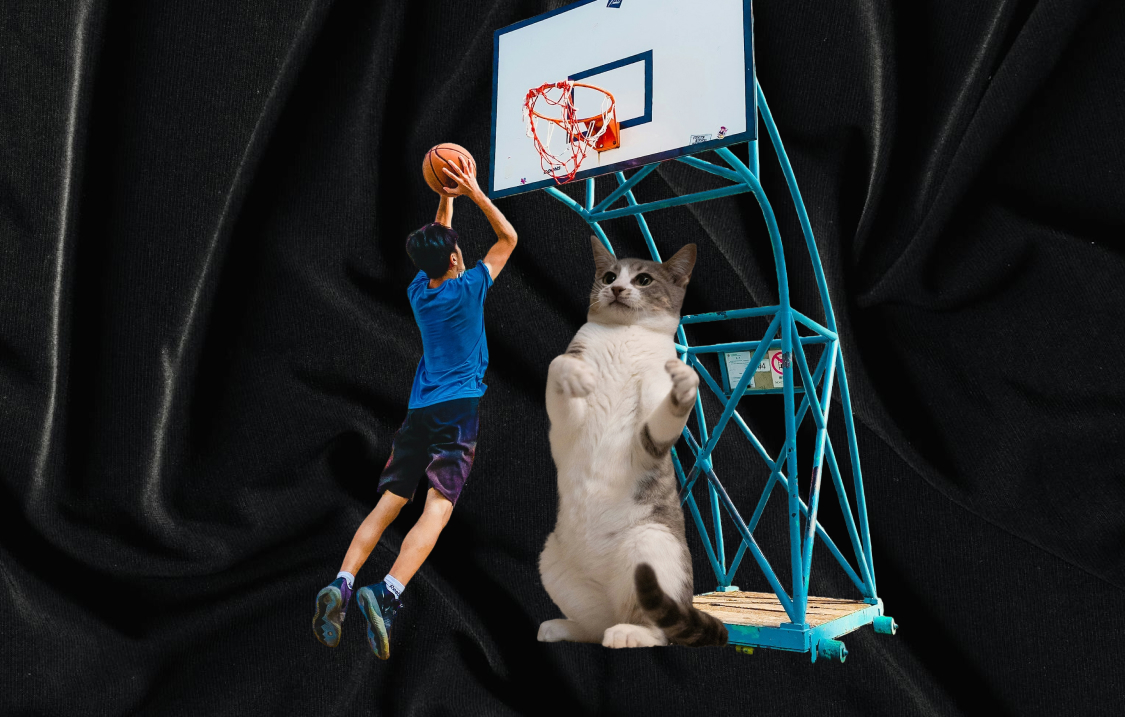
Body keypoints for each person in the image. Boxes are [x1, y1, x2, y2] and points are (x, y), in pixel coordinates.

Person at [312, 157, 517, 659]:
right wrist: (473, 191)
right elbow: (508, 238)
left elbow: (439, 243)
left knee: (388, 505)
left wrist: (445, 198)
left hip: (419, 413)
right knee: (438, 509)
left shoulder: (418, 293)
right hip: (458, 412)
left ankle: (341, 581)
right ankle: (387, 593)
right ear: (453, 261)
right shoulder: (470, 289)